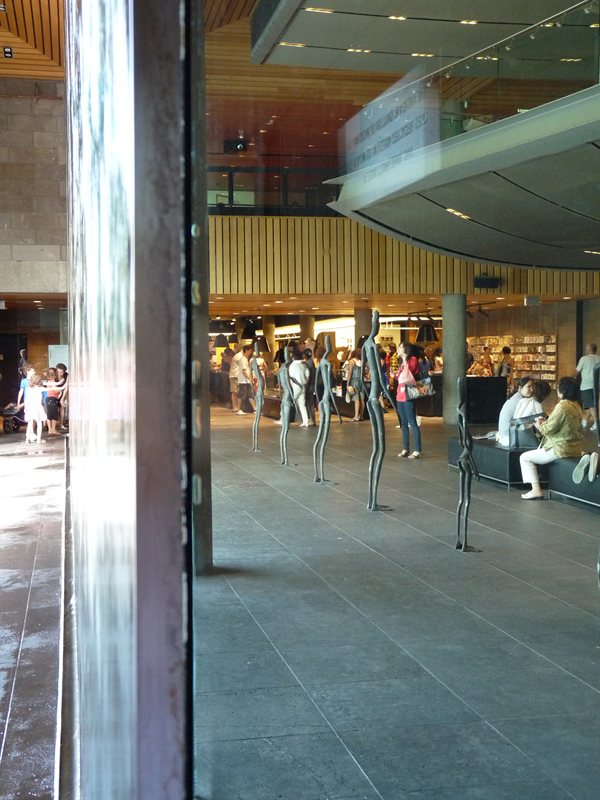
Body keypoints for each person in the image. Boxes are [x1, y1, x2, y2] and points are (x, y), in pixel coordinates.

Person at [519, 376, 583, 500]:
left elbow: (546, 430)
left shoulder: (562, 406)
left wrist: (538, 424)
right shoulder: (576, 406)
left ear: (563, 390)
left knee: (525, 457)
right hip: (575, 447)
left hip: (560, 448)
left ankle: (536, 489)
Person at [395, 342, 422, 459]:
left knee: (412, 422)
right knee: (403, 423)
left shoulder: (413, 359)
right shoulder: (401, 361)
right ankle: (405, 448)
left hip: (408, 394)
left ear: (406, 349)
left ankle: (417, 450)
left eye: (400, 347)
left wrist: (405, 360)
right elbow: (399, 377)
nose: (398, 349)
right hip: (400, 394)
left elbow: (409, 372)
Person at [496, 376, 538, 446]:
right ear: (520, 388)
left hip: (505, 435)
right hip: (509, 438)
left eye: (532, 387)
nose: (532, 389)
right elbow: (524, 421)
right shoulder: (520, 401)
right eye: (529, 387)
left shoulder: (517, 398)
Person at [575, 343, 600, 431]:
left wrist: (571, 379)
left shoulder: (584, 359)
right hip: (596, 386)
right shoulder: (599, 358)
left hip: (586, 386)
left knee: (591, 405)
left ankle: (597, 423)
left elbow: (577, 371)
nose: (585, 350)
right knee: (591, 404)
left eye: (586, 348)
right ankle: (584, 421)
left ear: (589, 349)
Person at [289, 348, 311, 427]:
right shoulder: (304, 365)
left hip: (295, 386)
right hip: (304, 386)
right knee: (302, 404)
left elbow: (291, 377)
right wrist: (305, 383)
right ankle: (306, 421)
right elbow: (307, 375)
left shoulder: (292, 365)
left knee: (289, 402)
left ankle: (284, 419)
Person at [24, 371, 46, 445]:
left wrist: (25, 408)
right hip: (37, 407)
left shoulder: (29, 389)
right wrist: (62, 386)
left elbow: (27, 400)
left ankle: (27, 439)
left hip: (30, 407)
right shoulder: (39, 388)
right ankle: (38, 440)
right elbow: (51, 388)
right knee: (39, 423)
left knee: (30, 423)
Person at [345, 348, 365, 422]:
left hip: (354, 381)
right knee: (362, 400)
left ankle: (356, 416)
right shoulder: (362, 361)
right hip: (361, 382)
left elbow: (350, 373)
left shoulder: (352, 361)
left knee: (356, 399)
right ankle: (361, 416)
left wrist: (347, 383)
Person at [43, 367, 61, 435]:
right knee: (54, 415)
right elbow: (55, 391)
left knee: (49, 415)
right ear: (54, 375)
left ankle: (50, 430)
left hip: (48, 399)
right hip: (53, 399)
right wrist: (61, 389)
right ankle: (53, 430)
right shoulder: (53, 382)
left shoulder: (48, 382)